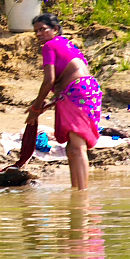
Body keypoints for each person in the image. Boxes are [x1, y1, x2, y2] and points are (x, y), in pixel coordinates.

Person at [26, 13, 102, 190]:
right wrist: (52, 102)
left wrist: (35, 108)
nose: (39, 34)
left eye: (43, 29)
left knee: (77, 147)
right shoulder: (69, 45)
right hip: (87, 90)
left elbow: (49, 80)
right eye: (36, 31)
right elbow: (73, 74)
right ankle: (76, 189)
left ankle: (82, 194)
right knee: (71, 148)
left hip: (77, 92)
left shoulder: (50, 45)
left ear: (55, 29)